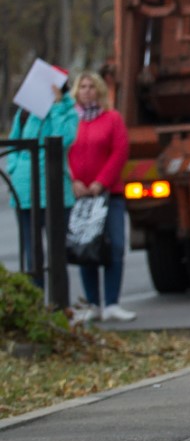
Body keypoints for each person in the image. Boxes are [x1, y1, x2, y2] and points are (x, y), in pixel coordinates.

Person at [68, 71, 135, 322]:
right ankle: (93, 304)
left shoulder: (112, 119)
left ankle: (112, 303)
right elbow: (63, 151)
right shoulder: (71, 121)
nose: (86, 91)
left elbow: (120, 152)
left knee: (114, 246)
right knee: (86, 249)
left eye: (91, 86)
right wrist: (74, 179)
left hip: (109, 195)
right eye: (82, 87)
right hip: (80, 197)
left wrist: (101, 182)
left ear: (99, 90)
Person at [6, 75, 78, 288]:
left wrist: (56, 107)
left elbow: (62, 139)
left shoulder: (67, 113)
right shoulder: (26, 112)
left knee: (57, 254)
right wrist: (15, 167)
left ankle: (58, 306)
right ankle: (38, 306)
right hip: (24, 192)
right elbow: (14, 143)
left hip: (54, 193)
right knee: (32, 255)